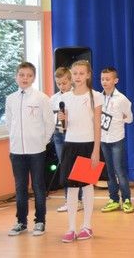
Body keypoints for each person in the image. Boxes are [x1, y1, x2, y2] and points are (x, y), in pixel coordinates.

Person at [6, 62, 54, 236]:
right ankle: (21, 222)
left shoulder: (41, 98)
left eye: (29, 75)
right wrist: (14, 139)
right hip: (17, 151)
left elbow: (50, 123)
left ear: (33, 78)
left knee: (38, 186)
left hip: (37, 151)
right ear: (16, 77)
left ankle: (40, 221)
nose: (25, 78)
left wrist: (42, 142)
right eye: (21, 75)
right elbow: (9, 123)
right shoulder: (10, 99)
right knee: (20, 187)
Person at [57, 60, 103, 242]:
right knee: (71, 188)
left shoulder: (95, 96)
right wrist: (63, 119)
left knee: (86, 186)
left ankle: (87, 226)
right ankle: (71, 228)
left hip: (87, 145)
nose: (77, 77)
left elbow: (97, 125)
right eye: (75, 73)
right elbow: (65, 127)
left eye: (81, 73)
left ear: (88, 75)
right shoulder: (66, 97)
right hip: (70, 145)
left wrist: (96, 150)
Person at [98, 67, 134, 213]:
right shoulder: (98, 98)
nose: (104, 82)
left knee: (120, 170)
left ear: (115, 80)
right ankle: (113, 199)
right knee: (109, 171)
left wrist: (121, 118)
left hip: (117, 139)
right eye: (102, 79)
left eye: (108, 79)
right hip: (103, 139)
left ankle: (127, 199)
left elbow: (130, 118)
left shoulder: (122, 99)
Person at [50, 67, 82, 213]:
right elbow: (50, 118)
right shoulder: (53, 99)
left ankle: (79, 200)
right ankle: (68, 201)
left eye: (64, 83)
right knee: (65, 167)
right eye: (58, 83)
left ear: (71, 81)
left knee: (76, 167)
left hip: (73, 135)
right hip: (58, 134)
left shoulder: (77, 96)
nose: (61, 86)